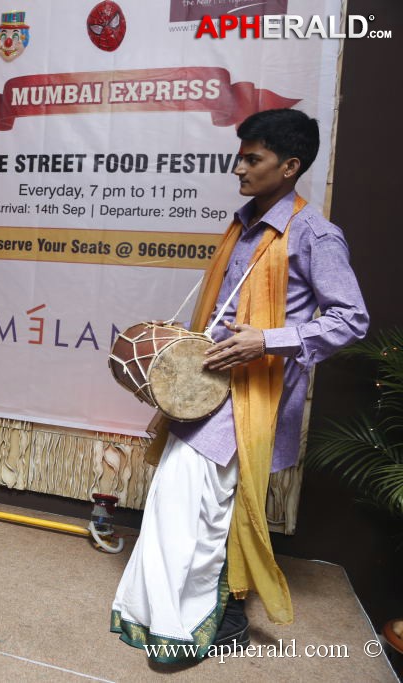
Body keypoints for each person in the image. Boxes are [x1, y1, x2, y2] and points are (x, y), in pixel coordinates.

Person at [110, 108, 369, 661]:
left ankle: (194, 627)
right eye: (240, 155)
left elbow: (351, 318)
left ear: (290, 166)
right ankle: (208, 615)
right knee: (195, 503)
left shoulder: (315, 236)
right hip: (212, 385)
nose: (239, 168)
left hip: (255, 397)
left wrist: (268, 340)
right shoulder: (245, 223)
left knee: (192, 500)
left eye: (253, 158)